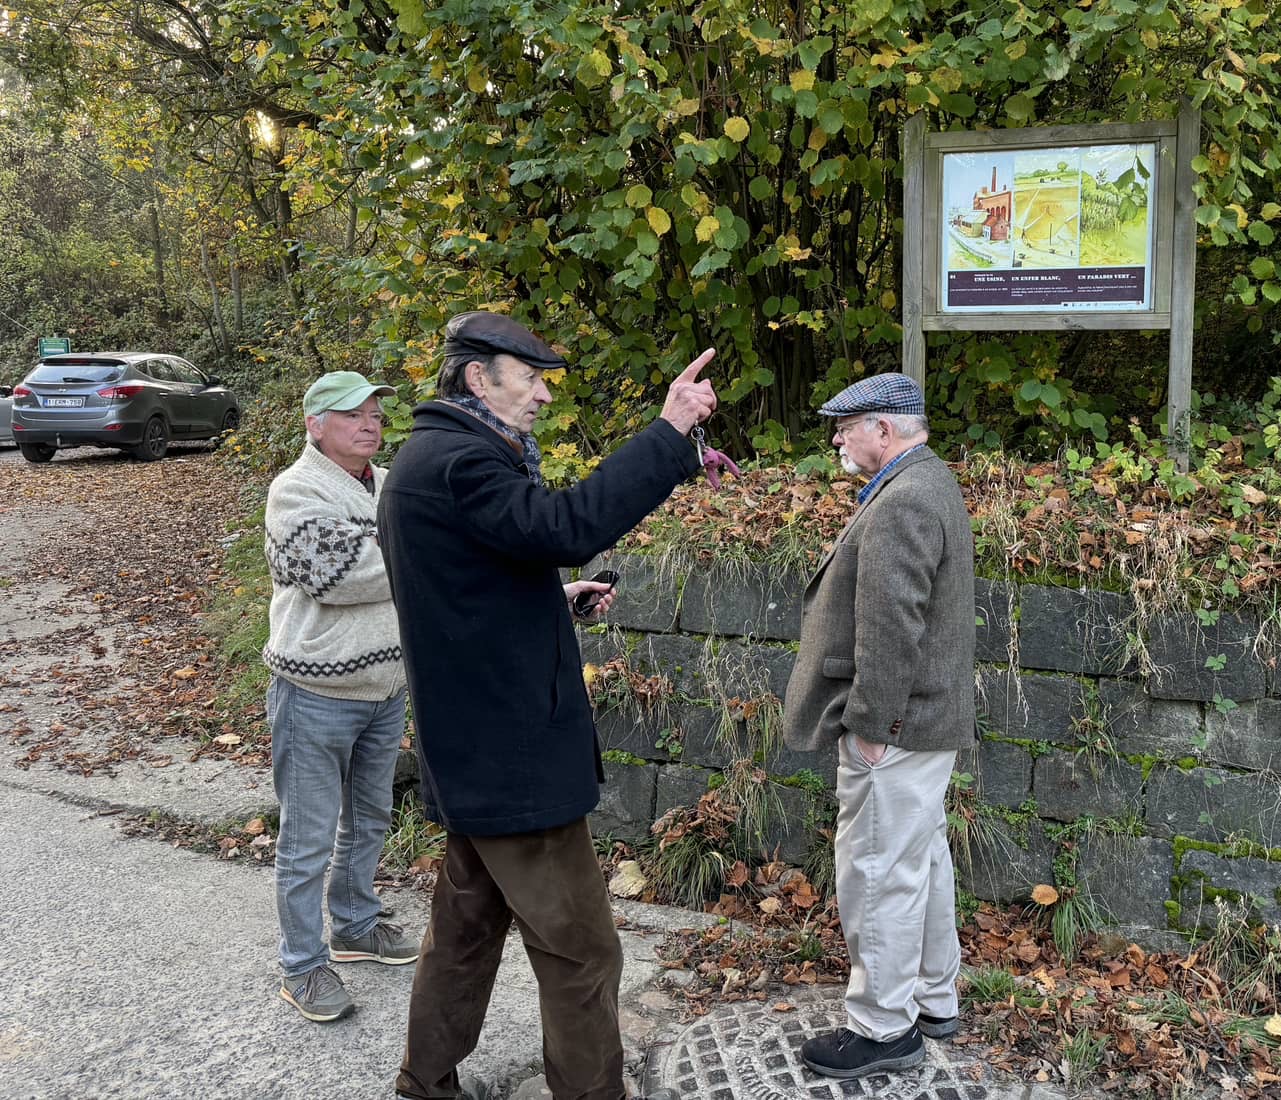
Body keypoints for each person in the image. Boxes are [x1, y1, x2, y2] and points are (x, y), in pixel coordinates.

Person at [378, 310, 711, 1100]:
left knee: (463, 933)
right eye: (528, 378)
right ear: (477, 378)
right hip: (510, 760)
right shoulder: (463, 461)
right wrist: (667, 433)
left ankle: (424, 1082)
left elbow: (463, 591)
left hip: (475, 750)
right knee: (582, 953)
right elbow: (565, 526)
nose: (541, 395)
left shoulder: (433, 456)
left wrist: (546, 600)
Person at [782, 372, 976, 1080]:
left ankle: (882, 1028)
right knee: (918, 860)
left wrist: (872, 722)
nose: (837, 441)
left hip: (894, 724)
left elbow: (892, 626)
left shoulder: (903, 499)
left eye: (845, 429)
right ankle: (932, 998)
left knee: (877, 871)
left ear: (882, 430)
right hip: (923, 718)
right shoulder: (928, 481)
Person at [263, 371, 419, 1023]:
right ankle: (302, 966)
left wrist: (396, 548)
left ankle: (355, 926)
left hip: (385, 689)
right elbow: (337, 576)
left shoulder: (388, 485)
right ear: (315, 424)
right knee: (306, 840)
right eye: (352, 414)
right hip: (314, 693)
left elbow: (387, 562)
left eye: (376, 413)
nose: (370, 423)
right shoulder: (296, 489)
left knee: (370, 819)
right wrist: (416, 549)